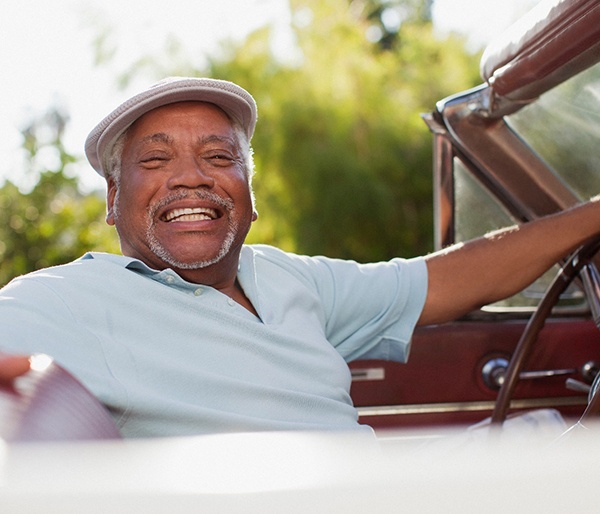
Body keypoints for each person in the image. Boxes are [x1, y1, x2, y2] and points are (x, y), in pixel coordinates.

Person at [1, 76, 600, 438]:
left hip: (376, 489)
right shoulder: (65, 301)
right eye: (155, 162)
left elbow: (444, 279)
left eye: (218, 157)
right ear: (112, 201)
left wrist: (592, 214)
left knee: (553, 435)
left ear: (250, 195)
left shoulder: (289, 279)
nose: (191, 179)